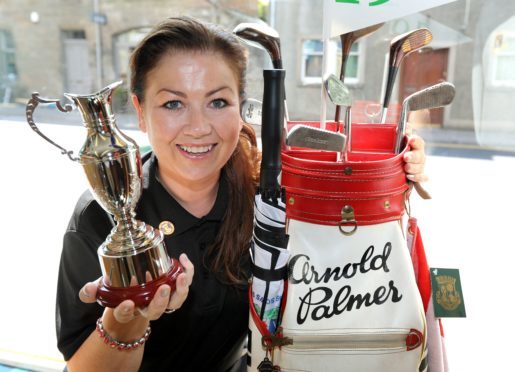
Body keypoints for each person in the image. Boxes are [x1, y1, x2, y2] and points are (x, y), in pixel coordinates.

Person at [55, 16, 429, 372]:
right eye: (173, 103)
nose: (199, 127)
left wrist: (397, 165)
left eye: (218, 102)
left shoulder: (267, 194)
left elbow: (346, 216)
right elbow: (81, 366)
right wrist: (128, 320)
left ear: (241, 108)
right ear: (139, 112)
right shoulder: (100, 217)